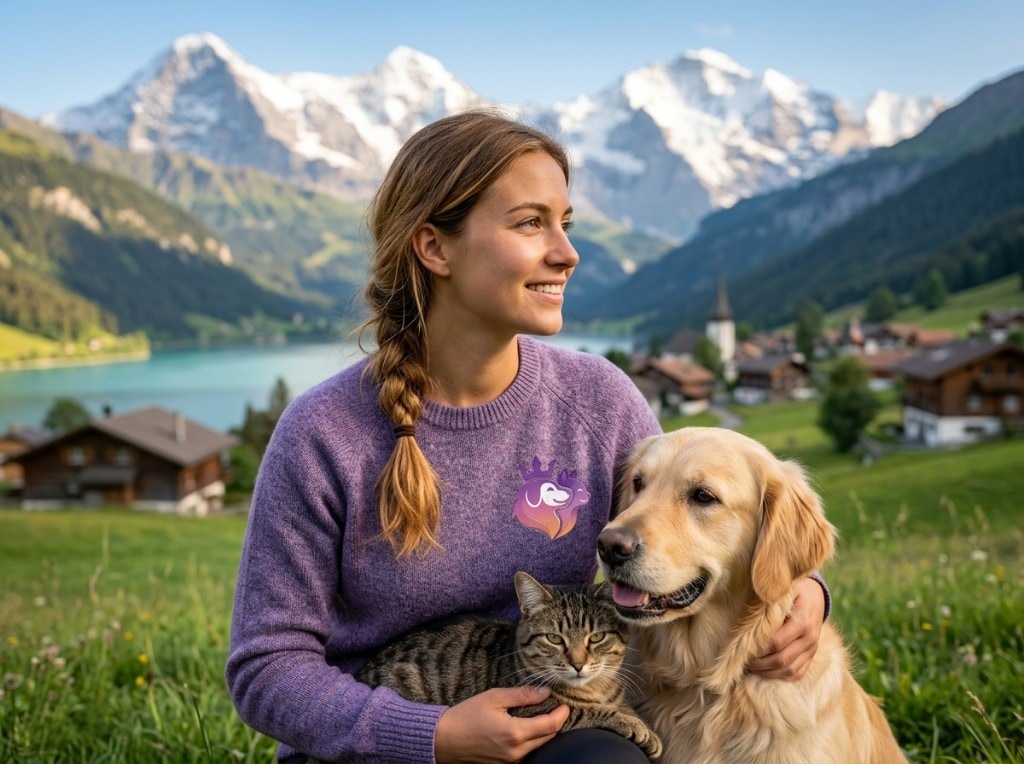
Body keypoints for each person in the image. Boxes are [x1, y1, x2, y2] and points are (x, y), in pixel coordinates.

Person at [225, 109, 828, 763]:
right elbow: (266, 669)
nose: (567, 253)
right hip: (367, 749)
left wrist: (808, 591)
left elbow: (688, 543)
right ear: (435, 248)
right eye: (530, 223)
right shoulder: (323, 434)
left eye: (565, 223)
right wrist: (431, 735)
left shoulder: (599, 401)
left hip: (550, 731)